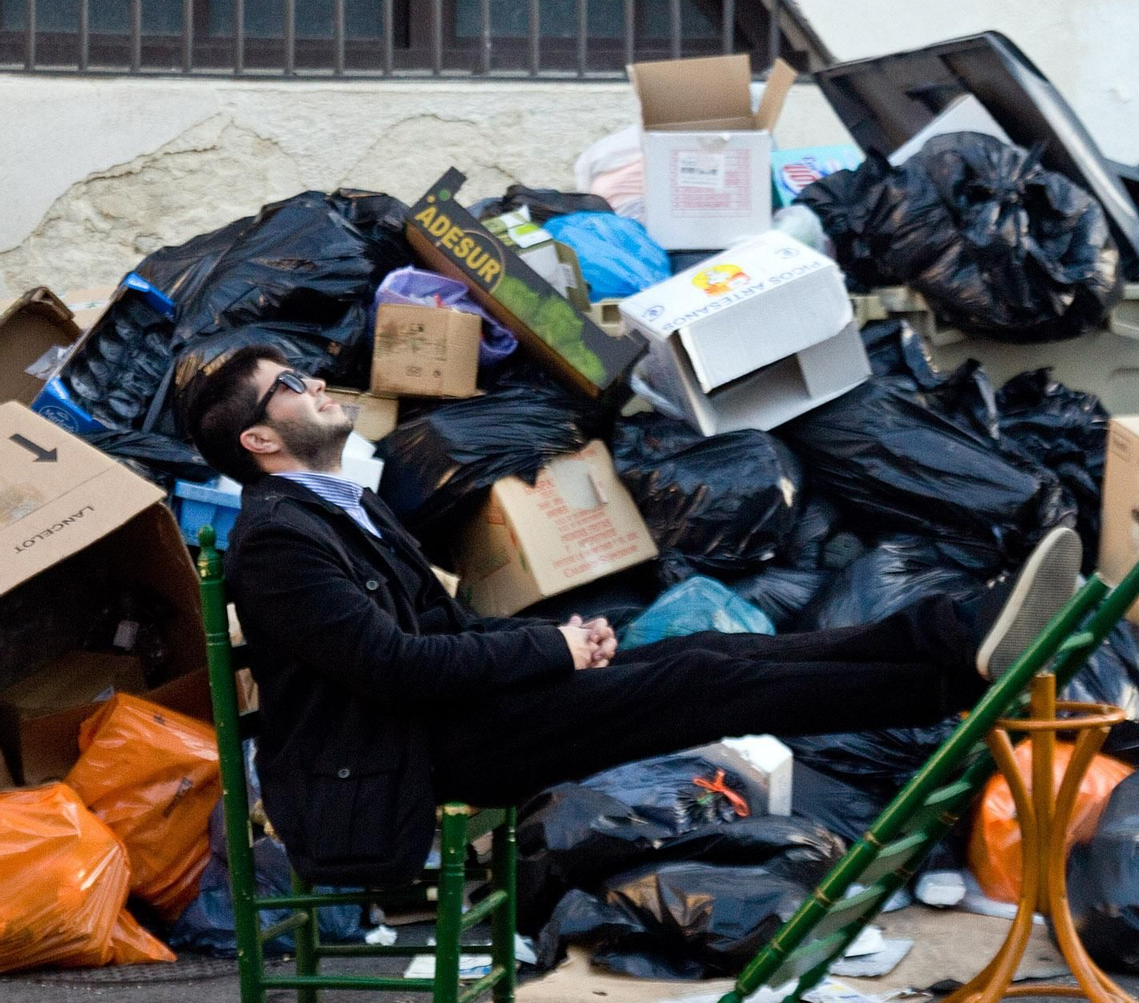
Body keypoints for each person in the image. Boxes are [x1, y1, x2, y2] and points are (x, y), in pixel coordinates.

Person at [181, 348, 1083, 888]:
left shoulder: (348, 508)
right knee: (702, 681)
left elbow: (444, 632)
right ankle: (955, 657)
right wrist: (549, 645)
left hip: (449, 722)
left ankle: (955, 649)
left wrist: (562, 648)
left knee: (710, 649)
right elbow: (395, 669)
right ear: (260, 440)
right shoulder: (279, 541)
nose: (318, 382)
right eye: (292, 384)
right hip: (404, 760)